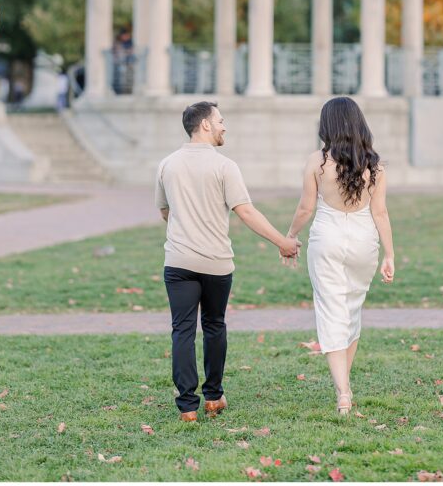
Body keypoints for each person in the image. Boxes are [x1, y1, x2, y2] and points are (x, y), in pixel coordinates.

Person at [155, 100, 300, 423]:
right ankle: (214, 396)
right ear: (204, 125)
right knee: (214, 325)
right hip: (216, 264)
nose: (224, 126)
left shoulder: (167, 165)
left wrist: (184, 228)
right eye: (220, 120)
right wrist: (283, 242)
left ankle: (187, 406)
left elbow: (165, 211)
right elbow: (245, 211)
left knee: (182, 330)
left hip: (178, 261)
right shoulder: (225, 166)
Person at [284, 96, 395, 415]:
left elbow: (306, 207)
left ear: (326, 125)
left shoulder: (316, 162)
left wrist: (290, 236)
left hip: (327, 239)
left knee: (331, 311)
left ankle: (343, 392)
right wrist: (390, 255)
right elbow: (381, 212)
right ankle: (345, 385)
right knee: (351, 309)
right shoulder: (375, 165)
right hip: (364, 242)